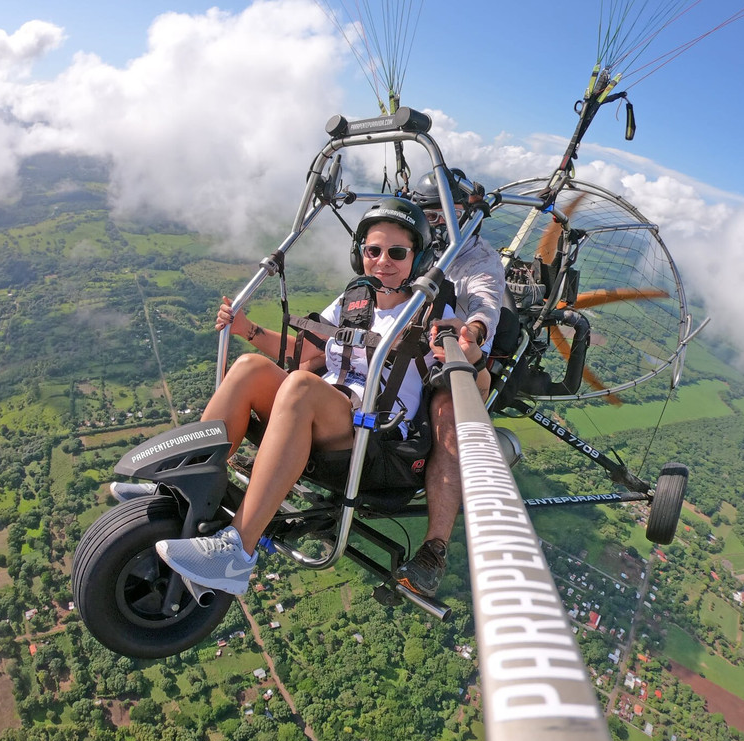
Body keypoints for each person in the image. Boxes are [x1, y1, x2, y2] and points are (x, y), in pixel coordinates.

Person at [154, 198, 484, 596]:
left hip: (375, 440)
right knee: (248, 368)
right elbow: (306, 351)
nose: (382, 261)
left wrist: (471, 354)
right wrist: (249, 330)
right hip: (327, 410)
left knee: (300, 386)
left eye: (397, 252)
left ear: (418, 257)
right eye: (372, 250)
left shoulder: (435, 313)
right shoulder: (355, 301)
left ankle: (235, 553)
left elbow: (471, 388)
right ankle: (179, 493)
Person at [392, 169, 506, 599]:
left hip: (451, 357)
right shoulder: (412, 246)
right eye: (430, 214)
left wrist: (471, 329)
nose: (439, 223)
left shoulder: (477, 260)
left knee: (447, 412)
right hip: (399, 346)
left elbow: (483, 301)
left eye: (449, 215)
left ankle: (434, 549)